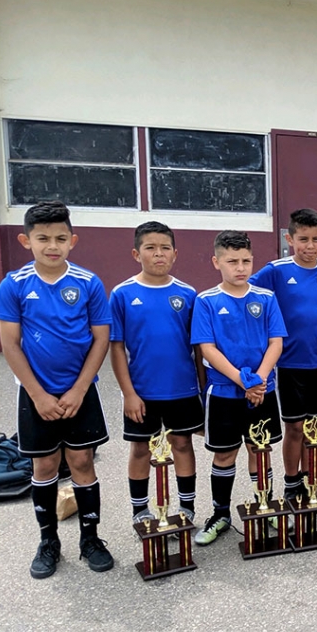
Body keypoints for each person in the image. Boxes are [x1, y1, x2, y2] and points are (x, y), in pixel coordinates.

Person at [0, 201, 113, 578]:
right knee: (44, 464)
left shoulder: (88, 283)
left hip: (80, 391)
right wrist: (39, 395)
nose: (52, 245)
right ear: (25, 240)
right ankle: (48, 541)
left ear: (73, 240)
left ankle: (90, 538)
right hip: (35, 395)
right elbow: (10, 345)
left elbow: (101, 339)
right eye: (43, 238)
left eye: (61, 238)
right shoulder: (13, 285)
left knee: (81, 463)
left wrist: (80, 389)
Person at [190, 231, 286, 545]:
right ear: (217, 262)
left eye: (245, 260)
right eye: (232, 261)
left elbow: (276, 342)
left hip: (262, 391)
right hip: (224, 392)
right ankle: (220, 514)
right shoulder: (205, 301)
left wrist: (257, 380)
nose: (240, 267)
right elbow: (207, 348)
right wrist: (243, 380)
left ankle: (264, 505)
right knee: (224, 455)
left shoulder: (266, 298)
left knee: (260, 450)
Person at [110, 221, 202, 526]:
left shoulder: (188, 294)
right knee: (140, 449)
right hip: (142, 392)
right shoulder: (122, 294)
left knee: (182, 444)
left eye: (165, 248)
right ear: (137, 253)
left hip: (183, 389)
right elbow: (117, 348)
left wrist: (202, 389)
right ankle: (140, 510)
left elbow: (200, 348)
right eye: (150, 248)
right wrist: (129, 394)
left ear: (175, 254)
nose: (158, 254)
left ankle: (186, 508)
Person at [249, 209, 317, 500]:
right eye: (303, 239)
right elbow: (246, 293)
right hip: (288, 363)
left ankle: (308, 477)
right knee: (294, 426)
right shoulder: (275, 271)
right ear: (290, 239)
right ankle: (291, 481)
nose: (310, 246)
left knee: (312, 425)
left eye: (316, 239)